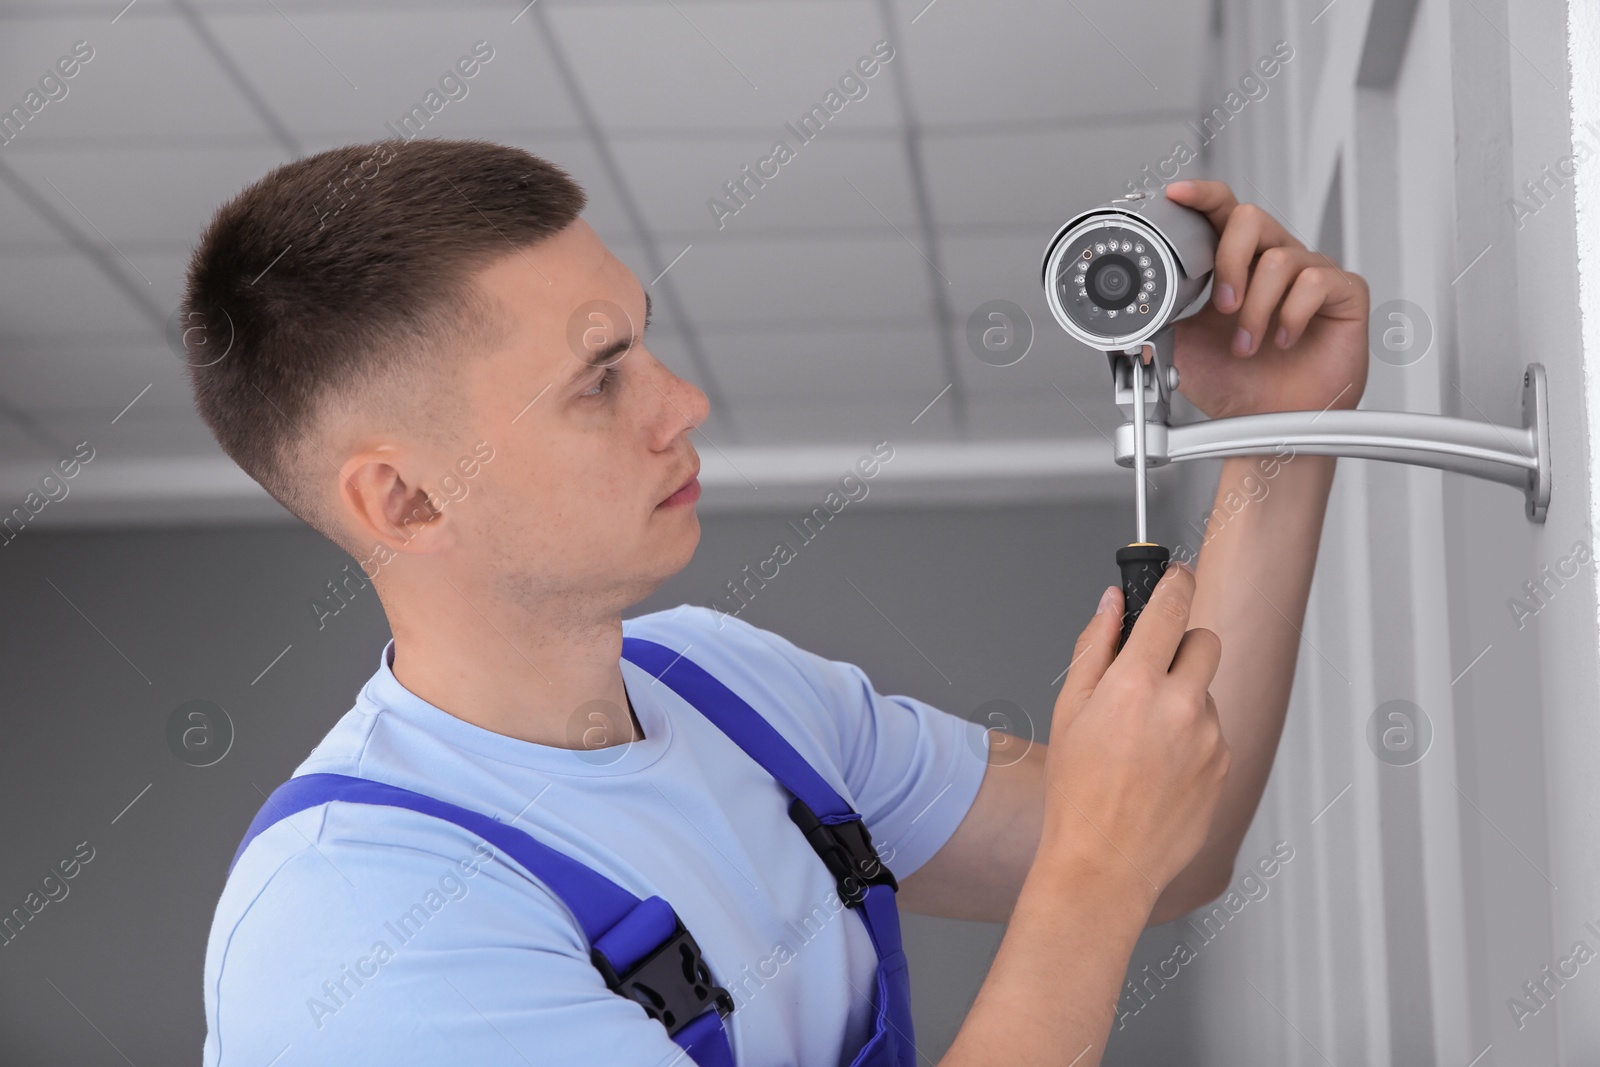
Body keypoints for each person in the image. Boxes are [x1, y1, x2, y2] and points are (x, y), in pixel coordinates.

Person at [189, 139, 1369, 1066]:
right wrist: (1093, 875)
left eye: (644, 344)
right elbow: (1111, 864)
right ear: (402, 499)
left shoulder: (728, 686)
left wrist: (1283, 431)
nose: (684, 401)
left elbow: (1171, 849)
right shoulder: (361, 928)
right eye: (600, 380)